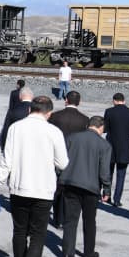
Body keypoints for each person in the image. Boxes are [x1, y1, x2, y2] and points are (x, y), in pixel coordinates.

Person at [0, 96, 69, 257]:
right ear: (49, 113)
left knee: (19, 231)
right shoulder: (54, 131)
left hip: (19, 188)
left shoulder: (16, 128)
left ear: (29, 110)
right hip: (43, 190)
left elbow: (6, 160)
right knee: (38, 234)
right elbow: (63, 163)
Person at [58, 116, 112, 257]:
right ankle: (89, 252)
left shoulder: (71, 138)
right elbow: (104, 171)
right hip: (91, 187)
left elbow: (61, 160)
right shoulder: (104, 145)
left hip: (70, 183)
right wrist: (107, 189)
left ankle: (68, 253)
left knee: (70, 220)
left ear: (88, 125)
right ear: (101, 127)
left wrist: (59, 177)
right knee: (89, 221)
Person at [49, 90, 90, 226]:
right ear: (79, 102)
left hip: (55, 155)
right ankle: (66, 216)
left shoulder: (55, 116)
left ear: (66, 100)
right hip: (74, 157)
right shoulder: (84, 119)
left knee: (56, 186)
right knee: (69, 188)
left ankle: (57, 217)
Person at [103, 92, 129, 207]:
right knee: (121, 175)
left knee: (108, 173)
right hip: (125, 147)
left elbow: (105, 129)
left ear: (114, 101)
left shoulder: (109, 111)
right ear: (124, 100)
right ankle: (117, 200)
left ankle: (106, 195)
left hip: (110, 146)